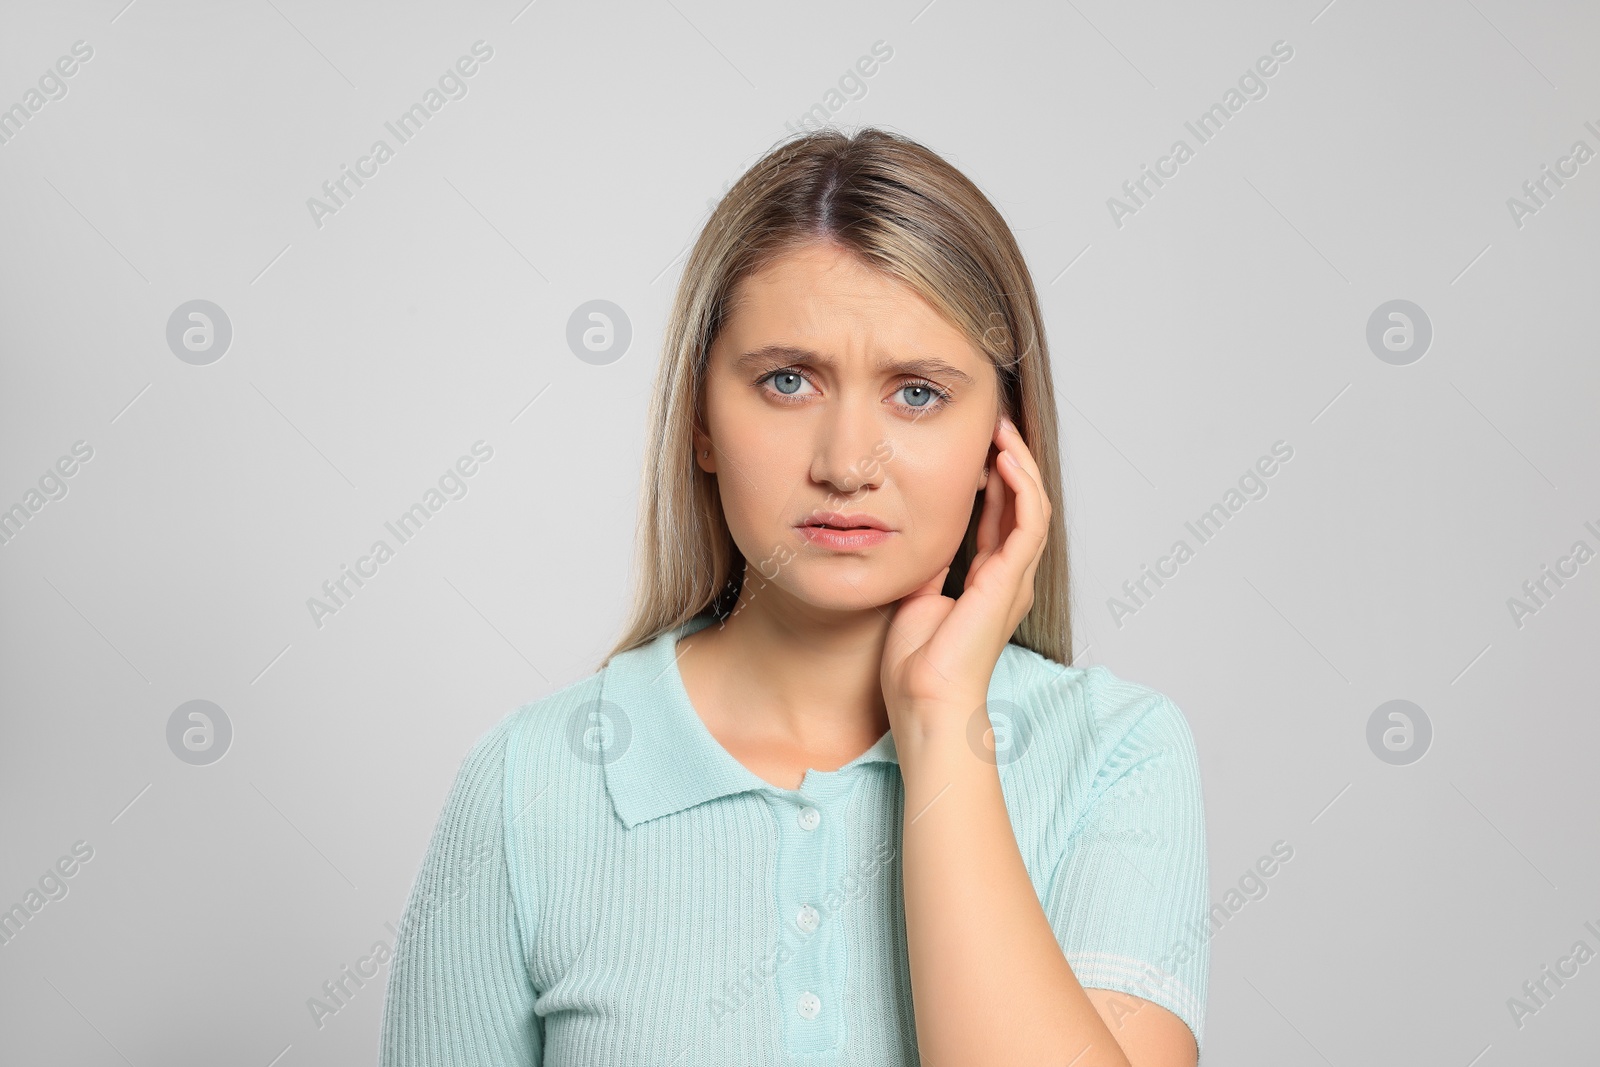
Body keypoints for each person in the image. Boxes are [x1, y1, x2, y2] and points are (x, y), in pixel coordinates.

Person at [379, 126, 1209, 1066]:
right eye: (787, 381)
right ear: (699, 420)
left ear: (1002, 440)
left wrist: (940, 722)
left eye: (919, 394)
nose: (847, 463)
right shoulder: (529, 787)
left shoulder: (1115, 757)